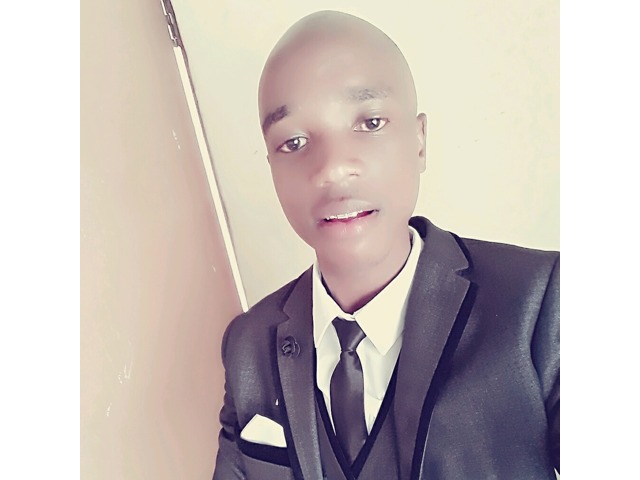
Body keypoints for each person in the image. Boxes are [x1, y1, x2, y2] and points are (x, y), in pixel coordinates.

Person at [213, 10, 559, 480]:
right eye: (293, 142)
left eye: (370, 122)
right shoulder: (248, 345)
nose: (332, 168)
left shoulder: (539, 302)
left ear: (419, 141)